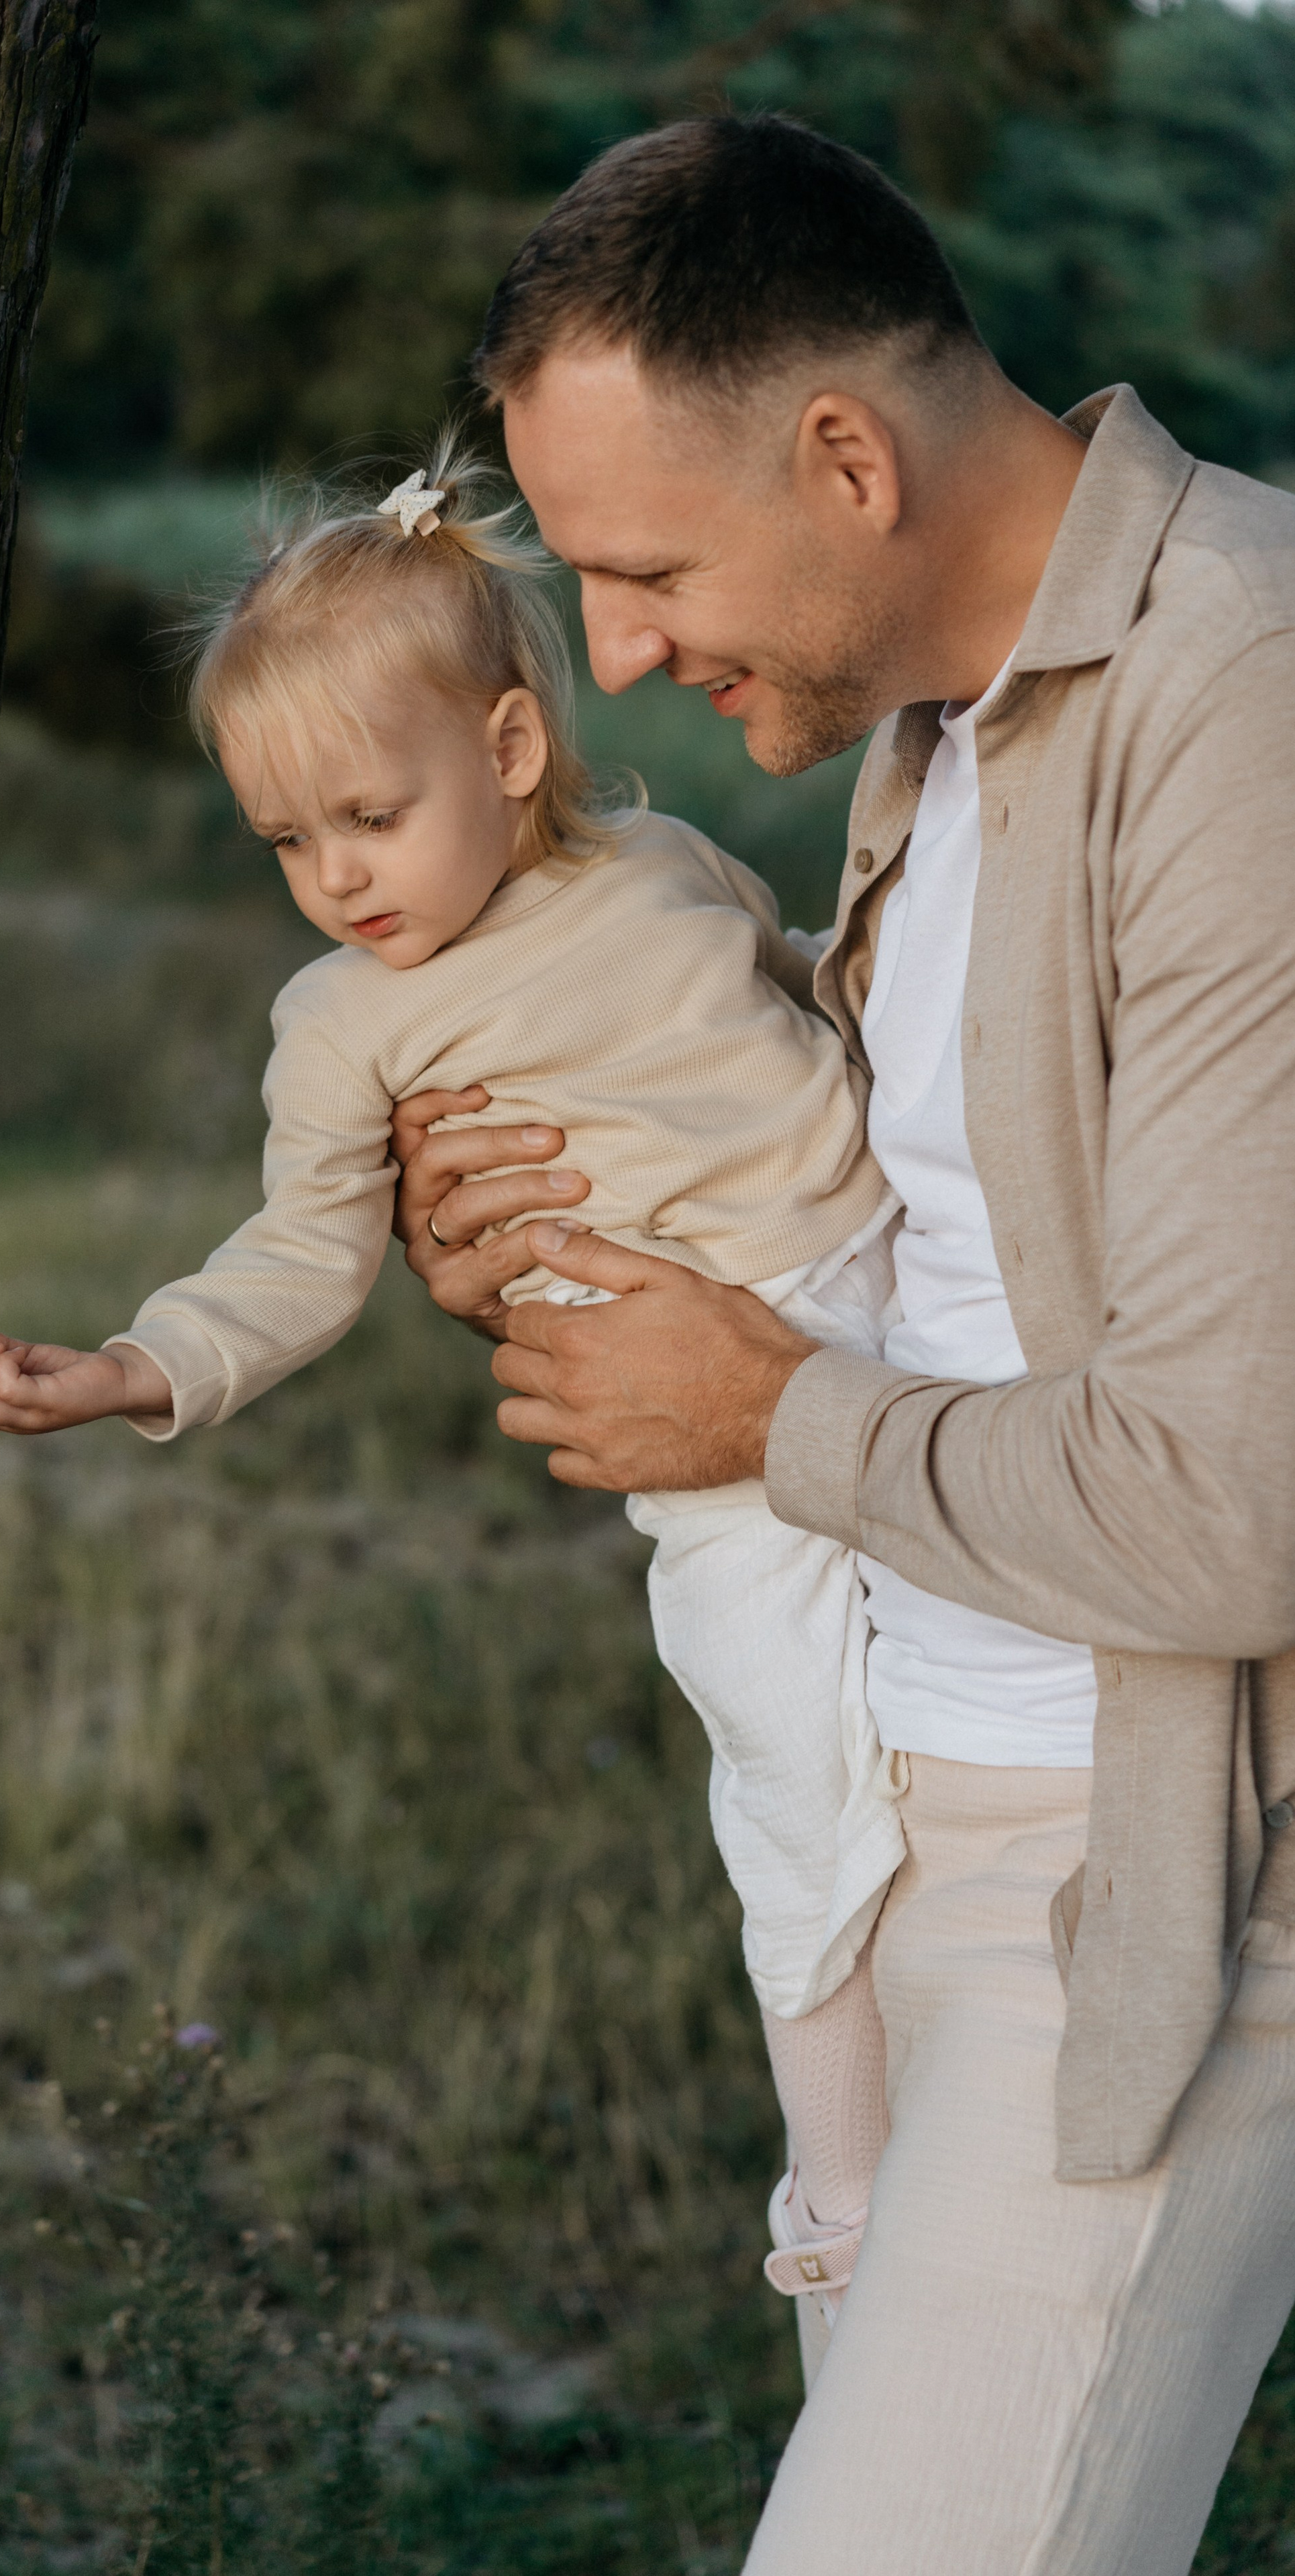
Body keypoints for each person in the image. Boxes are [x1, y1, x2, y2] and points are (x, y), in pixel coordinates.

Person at [389, 111, 1295, 2576]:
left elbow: (1240, 1498)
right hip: (909, 1836)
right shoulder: (950, 709)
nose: (631, 656)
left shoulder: (1245, 704)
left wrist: (764, 1415)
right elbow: (976, 1162)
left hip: (1164, 1881)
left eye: (646, 570)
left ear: (847, 457)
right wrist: (587, 1178)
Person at [0, 443, 908, 2326]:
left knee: (991, 1752)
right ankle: (850, 2213)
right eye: (287, 842)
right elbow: (295, 1257)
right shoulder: (350, 1026)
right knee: (804, 1801)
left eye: (367, 814)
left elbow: (823, 1008)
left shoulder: (668, 868)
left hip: (906, 1317)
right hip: (716, 1459)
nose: (335, 877)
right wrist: (128, 1367)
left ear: (514, 752)